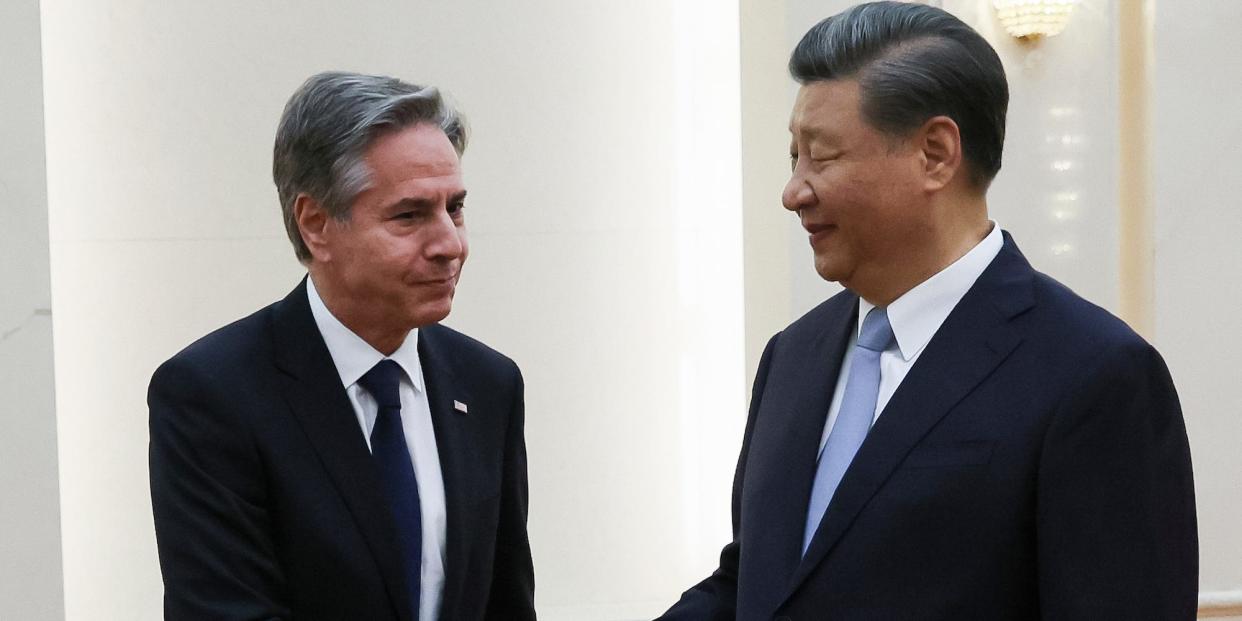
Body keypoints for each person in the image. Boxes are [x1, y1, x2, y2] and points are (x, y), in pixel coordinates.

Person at [660, 3, 1197, 619]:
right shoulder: (793, 354)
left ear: (936, 153)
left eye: (823, 156)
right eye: (793, 158)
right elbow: (756, 581)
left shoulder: (1095, 375)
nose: (793, 192)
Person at [149, 71, 535, 620]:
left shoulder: (488, 383)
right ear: (315, 225)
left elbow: (506, 604)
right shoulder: (213, 396)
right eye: (410, 215)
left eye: (455, 208)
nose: (450, 244)